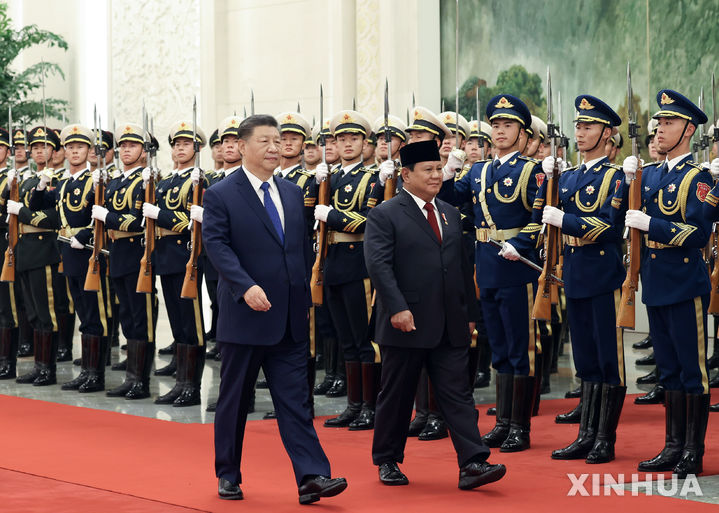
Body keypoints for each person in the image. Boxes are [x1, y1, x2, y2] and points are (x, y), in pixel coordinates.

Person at [203, 114, 347, 504]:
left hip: (289, 317)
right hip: (246, 317)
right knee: (234, 401)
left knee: (295, 402)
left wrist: (303, 295)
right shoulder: (221, 194)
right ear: (243, 146)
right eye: (265, 141)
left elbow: (298, 249)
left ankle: (312, 476)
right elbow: (216, 246)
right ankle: (228, 473)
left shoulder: (288, 192)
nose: (274, 148)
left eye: (278, 141)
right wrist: (244, 286)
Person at [365, 139, 506, 489]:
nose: (436, 175)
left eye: (438, 169)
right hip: (406, 321)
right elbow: (379, 266)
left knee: (457, 393)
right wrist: (397, 308)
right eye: (427, 170)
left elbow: (460, 267)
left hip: (449, 320)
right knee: (396, 395)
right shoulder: (386, 214)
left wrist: (469, 313)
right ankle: (387, 460)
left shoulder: (448, 212)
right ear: (406, 175)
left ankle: (473, 462)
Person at [439, 94, 544, 452]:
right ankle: (502, 423)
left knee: (520, 348)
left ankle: (520, 426)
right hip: (486, 265)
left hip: (515, 266)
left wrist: (524, 245)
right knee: (498, 346)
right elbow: (451, 199)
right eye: (495, 126)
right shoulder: (480, 170)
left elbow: (540, 218)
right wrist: (449, 171)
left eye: (508, 126)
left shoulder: (532, 171)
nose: (499, 132)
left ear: (523, 133)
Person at [618, 90, 712, 478]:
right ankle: (672, 445)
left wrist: (651, 225)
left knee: (692, 370)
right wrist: (627, 183)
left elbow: (698, 231)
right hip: (656, 281)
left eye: (669, 122)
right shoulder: (650, 173)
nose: (659, 128)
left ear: (689, 130)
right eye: (659, 122)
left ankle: (693, 450)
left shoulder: (700, 178)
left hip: (684, 282)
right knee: (668, 370)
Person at [540, 95, 627, 463]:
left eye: (588, 126)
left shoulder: (618, 177)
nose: (580, 132)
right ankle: (586, 434)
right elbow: (542, 213)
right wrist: (547, 178)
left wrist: (567, 221)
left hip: (602, 274)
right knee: (586, 360)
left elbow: (609, 226)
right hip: (574, 273)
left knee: (608, 359)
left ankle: (605, 439)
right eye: (578, 126)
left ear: (607, 133)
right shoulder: (570, 176)